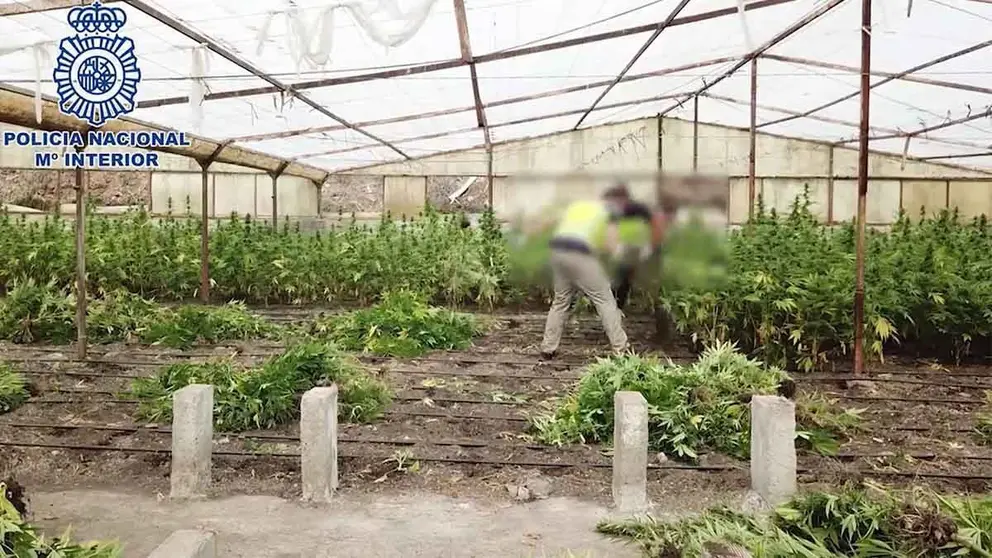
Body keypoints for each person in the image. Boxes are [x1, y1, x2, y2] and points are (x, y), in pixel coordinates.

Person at [539, 185, 632, 359]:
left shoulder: (578, 208)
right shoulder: (609, 211)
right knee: (605, 300)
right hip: (579, 255)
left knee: (560, 301)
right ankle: (622, 349)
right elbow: (611, 245)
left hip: (558, 252)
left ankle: (548, 348)